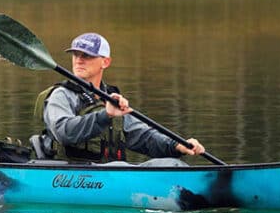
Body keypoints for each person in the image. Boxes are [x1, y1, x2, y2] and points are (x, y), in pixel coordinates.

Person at [33, 31, 206, 164]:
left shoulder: (110, 98)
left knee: (172, 164)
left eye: (87, 55)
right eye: (76, 55)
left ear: (105, 62)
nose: (79, 60)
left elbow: (143, 137)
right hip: (71, 174)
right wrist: (105, 115)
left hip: (109, 174)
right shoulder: (61, 95)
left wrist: (176, 145)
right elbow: (64, 132)